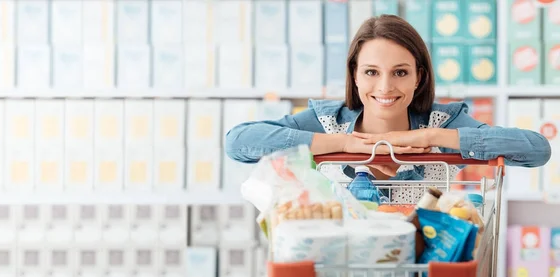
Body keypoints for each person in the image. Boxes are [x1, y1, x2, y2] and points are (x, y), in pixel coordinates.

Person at [225, 15, 551, 200]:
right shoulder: (328, 122)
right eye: (371, 72)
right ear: (354, 75)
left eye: (400, 72)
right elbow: (238, 143)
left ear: (418, 78)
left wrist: (428, 137)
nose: (384, 88)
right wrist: (342, 144)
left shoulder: (444, 121)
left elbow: (536, 150)